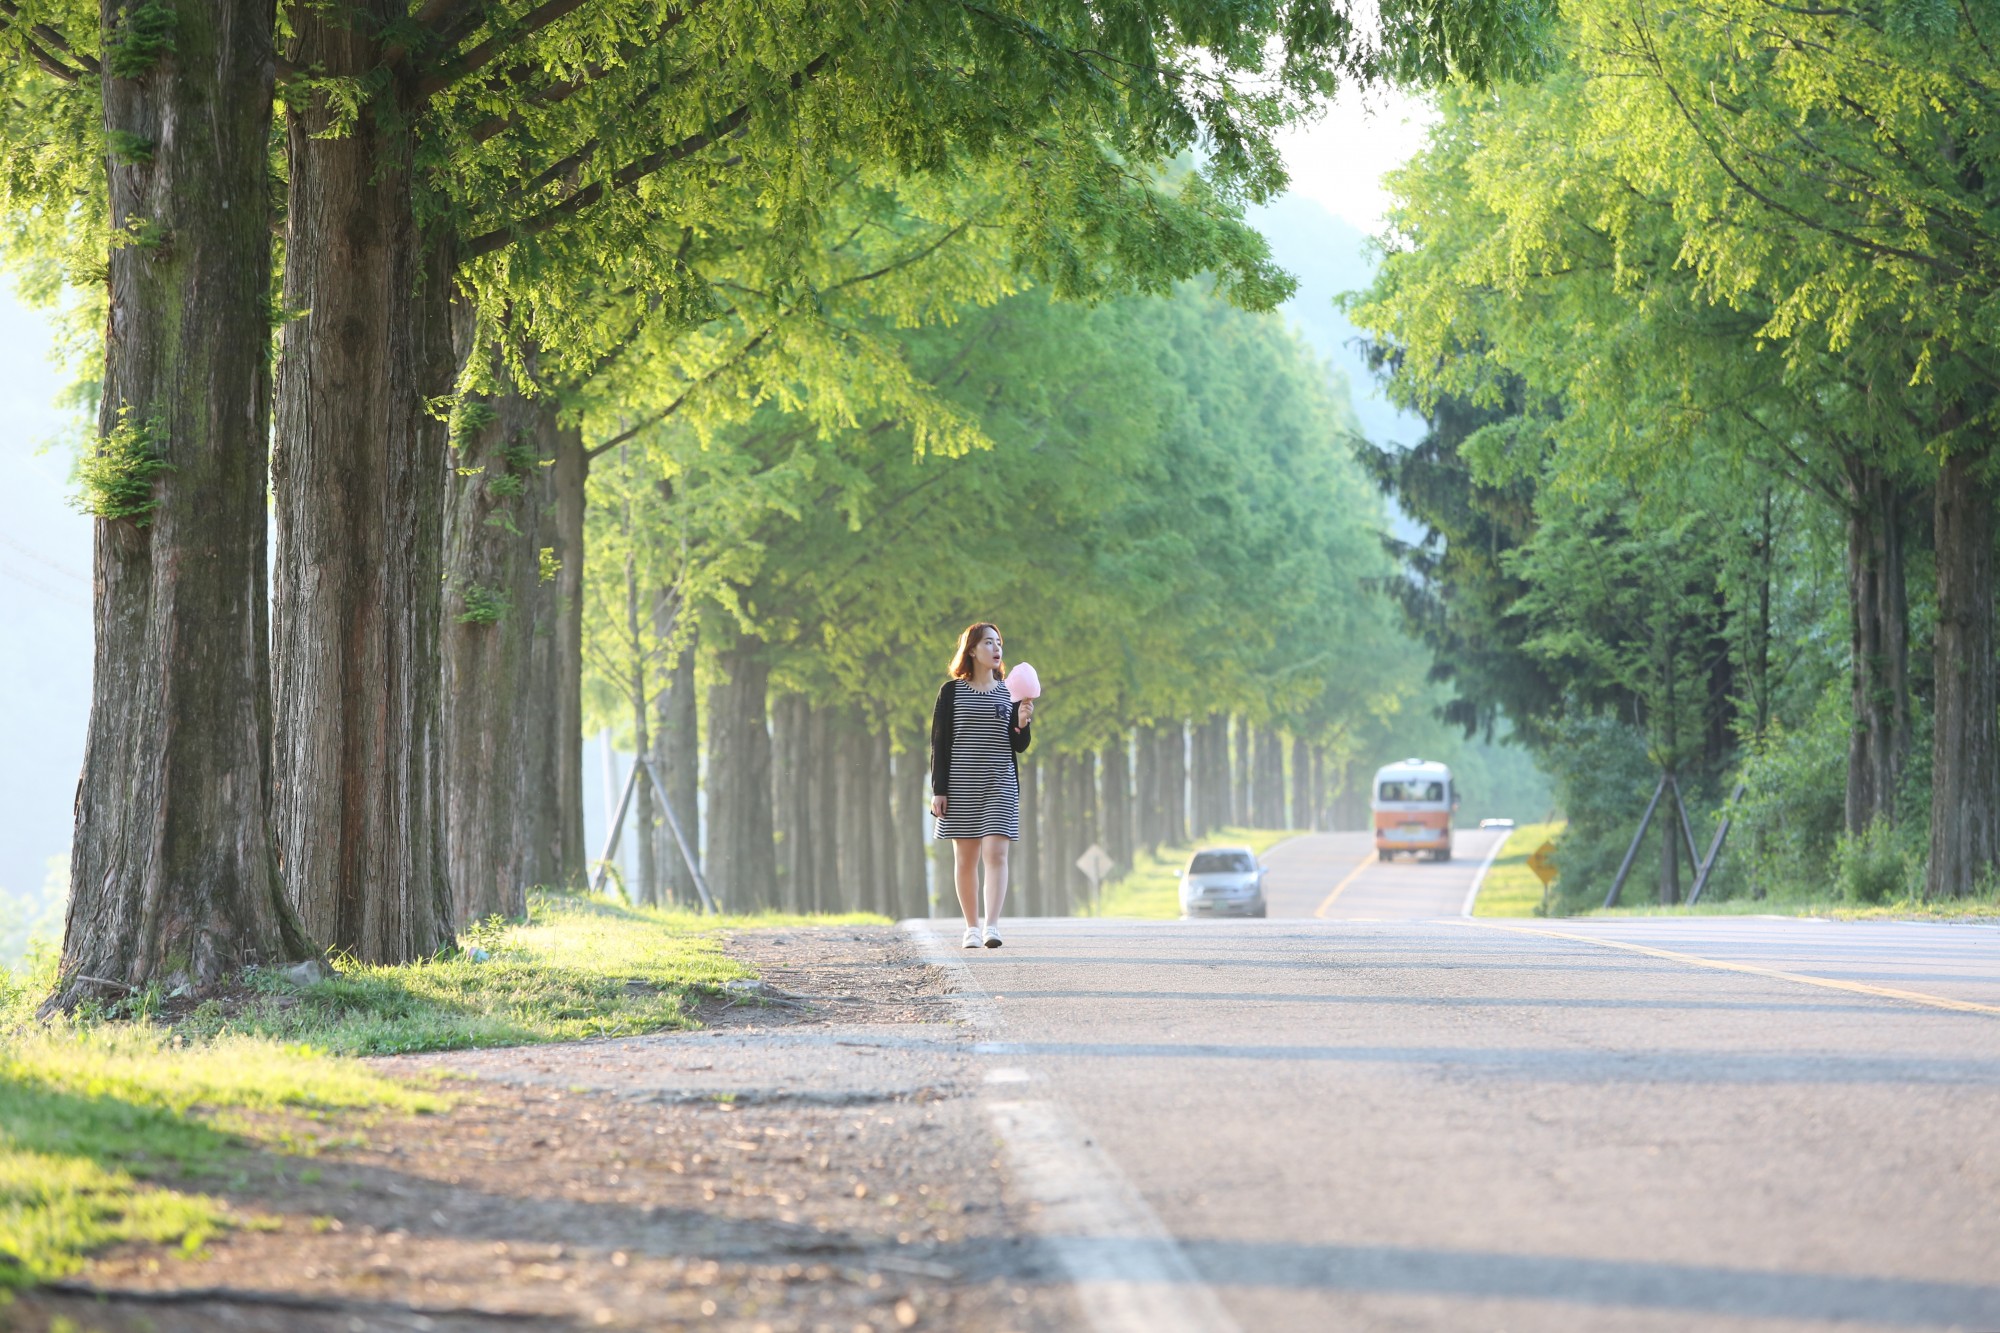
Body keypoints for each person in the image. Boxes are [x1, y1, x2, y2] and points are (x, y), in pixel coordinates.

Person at [929, 622, 1034, 948]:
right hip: (961, 783)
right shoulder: (951, 692)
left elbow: (1020, 744)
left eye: (998, 642)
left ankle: (992, 926)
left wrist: (1021, 723)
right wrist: (939, 789)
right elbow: (939, 743)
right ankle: (971, 927)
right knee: (965, 858)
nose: (996, 648)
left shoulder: (1011, 691)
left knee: (996, 853)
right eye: (988, 642)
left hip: (1000, 781)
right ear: (972, 649)